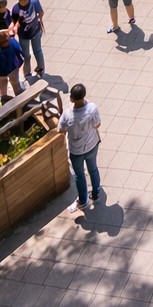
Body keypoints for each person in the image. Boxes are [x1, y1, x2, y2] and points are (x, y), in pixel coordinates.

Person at [58, 83, 103, 211]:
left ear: (71, 98)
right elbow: (97, 124)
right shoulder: (92, 108)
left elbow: (60, 128)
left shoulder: (68, 114)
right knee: (93, 168)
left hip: (76, 150)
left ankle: (83, 200)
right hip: (92, 145)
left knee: (79, 175)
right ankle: (96, 192)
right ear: (84, 96)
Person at [11, 0, 46, 79]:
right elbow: (15, 23)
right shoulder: (16, 9)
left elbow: (41, 12)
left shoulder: (34, 1)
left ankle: (40, 68)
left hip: (35, 31)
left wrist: (39, 20)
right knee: (26, 55)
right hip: (23, 34)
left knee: (37, 50)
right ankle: (27, 73)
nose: (23, 1)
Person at [0, 29, 25, 101]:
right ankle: (20, 102)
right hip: (13, 68)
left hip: (0, 72)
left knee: (3, 91)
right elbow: (21, 52)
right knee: (16, 85)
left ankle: (5, 102)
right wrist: (20, 62)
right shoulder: (12, 42)